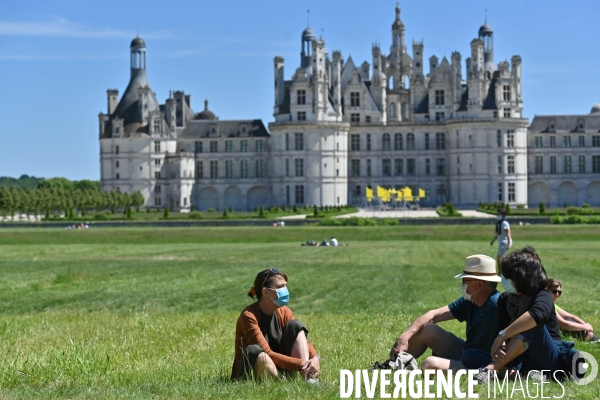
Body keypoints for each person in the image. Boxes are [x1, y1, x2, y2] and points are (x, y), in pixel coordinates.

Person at [390, 254, 501, 372]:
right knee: (428, 329)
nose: (463, 285)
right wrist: (404, 337)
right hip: (468, 353)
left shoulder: (497, 305)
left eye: (465, 280)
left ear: (479, 284)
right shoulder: (470, 301)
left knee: (429, 364)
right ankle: (393, 364)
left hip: (481, 363)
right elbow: (433, 315)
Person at [475, 246, 564, 383]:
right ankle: (523, 375)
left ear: (521, 278)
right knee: (470, 356)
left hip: (549, 357)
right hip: (521, 357)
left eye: (507, 276)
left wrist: (502, 336)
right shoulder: (505, 299)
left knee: (531, 324)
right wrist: (500, 345)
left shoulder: (543, 295)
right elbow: (501, 327)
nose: (503, 279)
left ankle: (490, 370)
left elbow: (536, 315)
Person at [231, 268, 320, 381]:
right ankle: (280, 383)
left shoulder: (284, 311)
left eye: (285, 285)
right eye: (279, 287)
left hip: (280, 370)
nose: (285, 290)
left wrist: (315, 358)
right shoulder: (249, 316)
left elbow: (301, 340)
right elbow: (267, 353)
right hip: (254, 373)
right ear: (266, 292)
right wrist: (302, 364)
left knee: (295, 325)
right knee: (256, 351)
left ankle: (309, 378)